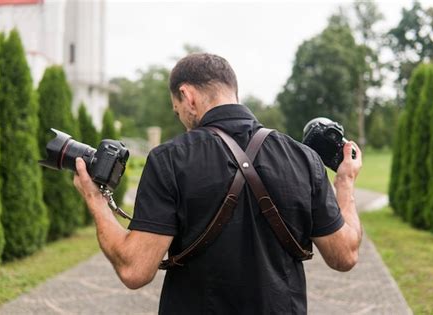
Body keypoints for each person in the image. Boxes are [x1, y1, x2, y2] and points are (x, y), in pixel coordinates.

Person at [73, 53, 363, 314]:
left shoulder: (169, 159)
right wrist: (345, 181)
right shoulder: (304, 159)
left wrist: (95, 200)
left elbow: (134, 269)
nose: (183, 122)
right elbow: (344, 255)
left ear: (188, 96)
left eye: (177, 111)